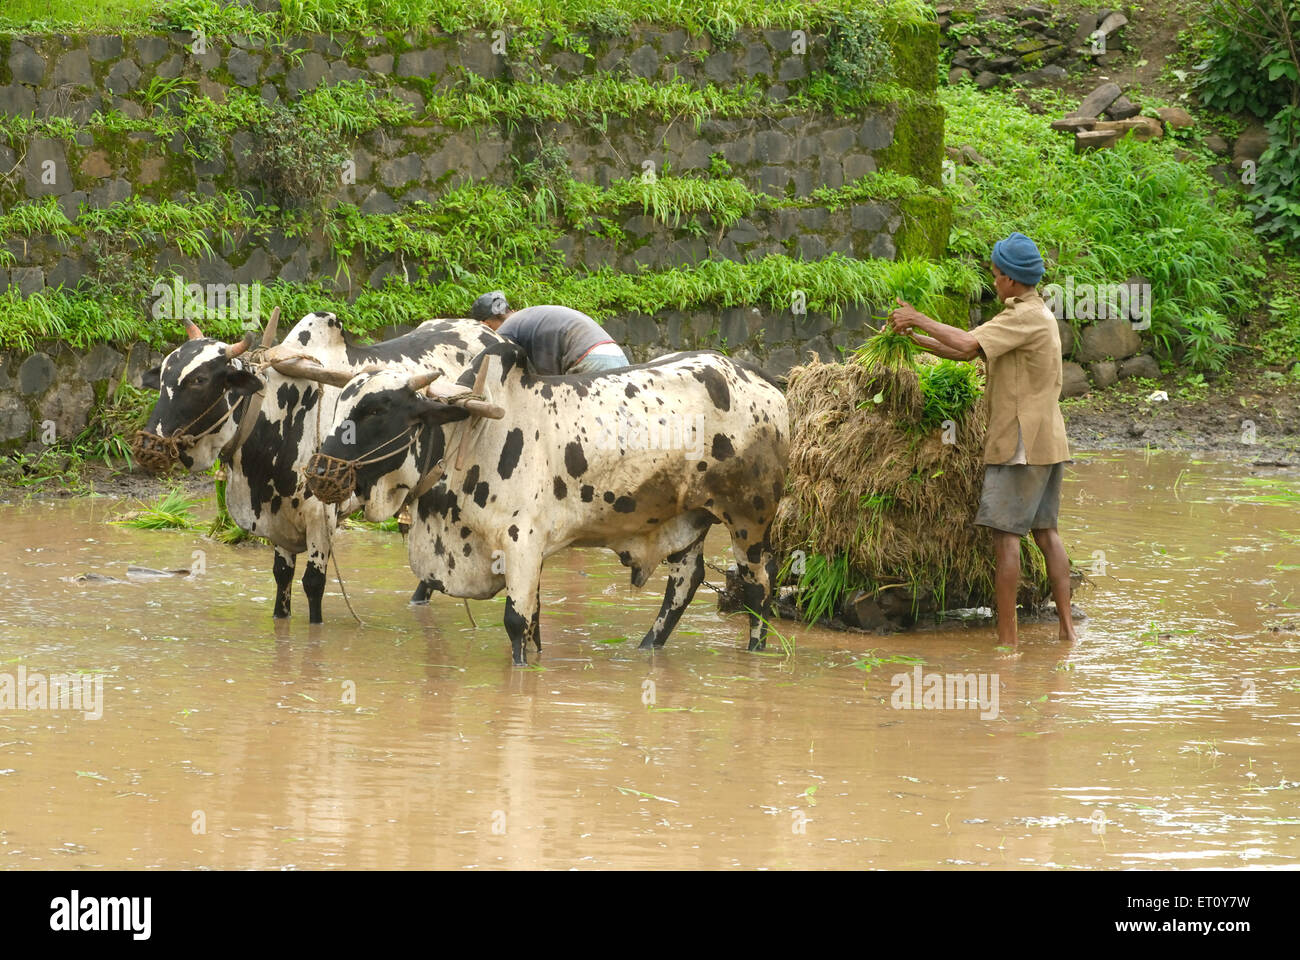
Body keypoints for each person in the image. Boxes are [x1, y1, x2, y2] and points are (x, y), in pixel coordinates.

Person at [888, 232, 1077, 647]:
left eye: (995, 275)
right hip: (1049, 441)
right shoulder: (1035, 314)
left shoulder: (1022, 316)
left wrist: (917, 317)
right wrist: (918, 341)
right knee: (1046, 533)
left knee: (1006, 537)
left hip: (1020, 445)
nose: (993, 283)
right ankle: (1067, 633)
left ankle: (1007, 644)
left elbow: (970, 341)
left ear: (1010, 279)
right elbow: (969, 353)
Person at [469, 291, 630, 375]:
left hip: (588, 360)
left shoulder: (506, 332)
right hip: (616, 355)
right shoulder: (527, 317)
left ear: (485, 325)